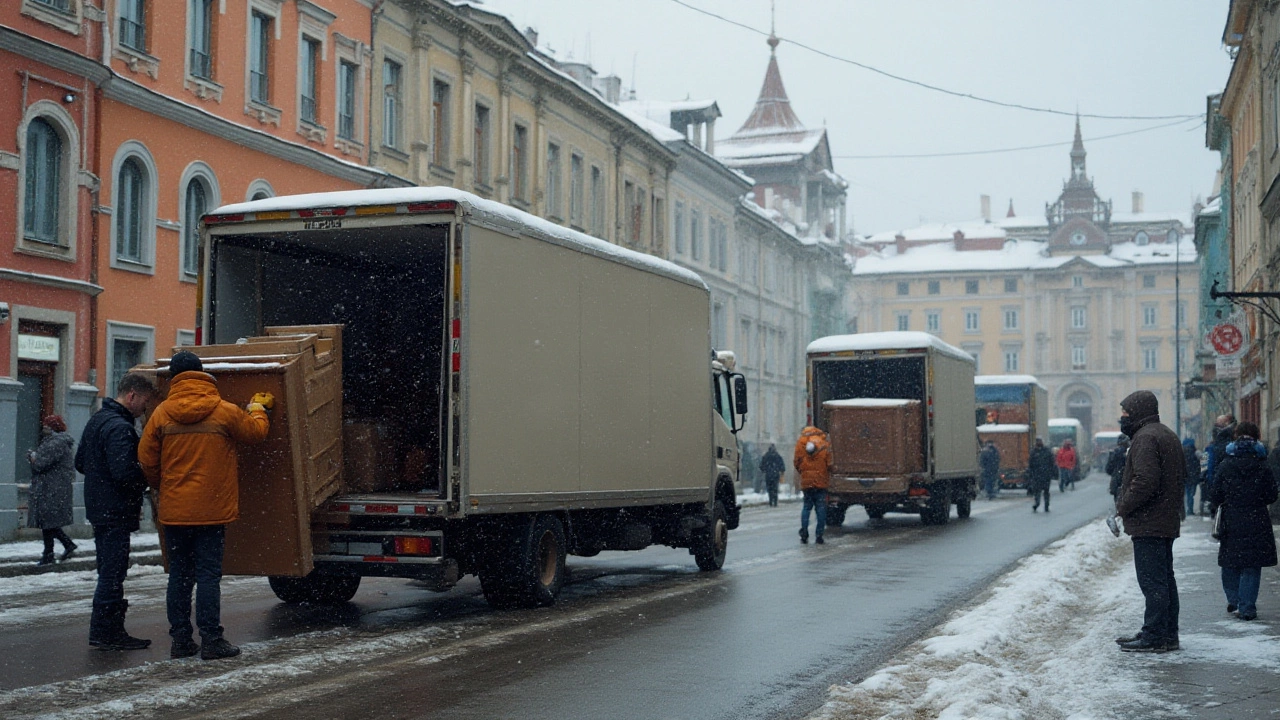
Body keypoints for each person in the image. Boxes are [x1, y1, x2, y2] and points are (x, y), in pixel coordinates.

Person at [139, 351, 272, 661]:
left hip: (175, 512)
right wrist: (258, 408)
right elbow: (256, 433)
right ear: (202, 375)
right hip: (212, 511)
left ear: (173, 380)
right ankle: (212, 639)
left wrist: (166, 487)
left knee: (180, 576)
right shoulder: (223, 411)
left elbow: (146, 460)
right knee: (208, 576)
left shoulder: (160, 414)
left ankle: (181, 640)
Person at [77, 371, 157, 651]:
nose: (145, 409)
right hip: (115, 511)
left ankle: (106, 630)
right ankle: (107, 631)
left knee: (108, 570)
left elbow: (80, 463)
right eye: (144, 402)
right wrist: (148, 477)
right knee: (113, 572)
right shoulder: (120, 428)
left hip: (100, 509)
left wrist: (100, 479)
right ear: (132, 396)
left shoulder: (97, 419)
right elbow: (125, 473)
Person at [1114, 390, 1184, 653]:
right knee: (1165, 579)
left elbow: (1145, 481)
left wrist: (1123, 506)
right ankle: (1167, 634)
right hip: (1164, 519)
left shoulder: (1145, 438)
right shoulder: (1165, 433)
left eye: (1125, 414)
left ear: (1139, 412)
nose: (1123, 419)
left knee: (1153, 582)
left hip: (1150, 521)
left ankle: (1154, 635)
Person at [1208, 422, 1278, 621]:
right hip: (1257, 518)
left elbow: (1215, 493)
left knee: (1230, 561)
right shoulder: (1262, 464)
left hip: (1232, 518)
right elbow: (1272, 495)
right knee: (1251, 565)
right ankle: (1247, 608)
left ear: (1235, 437)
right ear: (1257, 437)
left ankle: (1234, 598)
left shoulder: (1226, 463)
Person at [27, 415, 77, 566]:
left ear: (53, 427)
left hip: (51, 488)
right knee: (48, 521)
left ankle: (50, 553)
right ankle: (60, 548)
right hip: (53, 487)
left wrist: (33, 458)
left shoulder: (55, 443)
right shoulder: (59, 442)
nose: (44, 429)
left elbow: (40, 464)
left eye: (46, 426)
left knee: (47, 521)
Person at [793, 426, 832, 544]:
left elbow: (796, 462)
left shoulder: (801, 443)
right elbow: (830, 464)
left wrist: (803, 472)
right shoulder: (824, 444)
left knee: (806, 508)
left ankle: (804, 532)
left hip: (807, 483)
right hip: (821, 483)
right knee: (821, 509)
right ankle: (819, 535)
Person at [1028, 438, 1055, 512]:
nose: (1039, 443)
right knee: (1037, 491)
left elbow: (1052, 462)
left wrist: (1051, 472)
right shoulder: (1034, 452)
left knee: (1045, 491)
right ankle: (1037, 504)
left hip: (1045, 475)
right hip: (1037, 476)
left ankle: (1046, 505)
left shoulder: (1046, 451)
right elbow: (1030, 465)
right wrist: (1031, 474)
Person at [759, 443, 785, 507]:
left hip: (768, 475)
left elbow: (761, 466)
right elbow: (782, 465)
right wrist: (781, 471)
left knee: (769, 488)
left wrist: (765, 470)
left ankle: (771, 500)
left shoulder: (766, 456)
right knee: (775, 488)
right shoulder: (777, 456)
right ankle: (775, 501)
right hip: (775, 474)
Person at [1182, 438, 1200, 519]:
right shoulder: (1195, 452)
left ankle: (1186, 510)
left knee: (1187, 492)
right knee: (1191, 494)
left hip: (1185, 476)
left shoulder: (1182, 452)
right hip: (1193, 476)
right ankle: (1190, 510)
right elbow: (1205, 458)